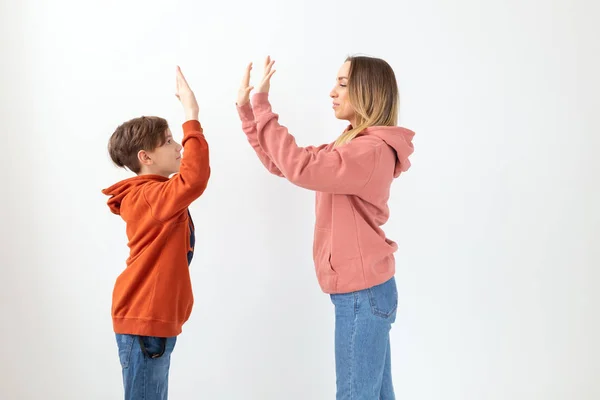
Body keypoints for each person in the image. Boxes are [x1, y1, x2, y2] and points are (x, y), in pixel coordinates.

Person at [236, 55, 415, 399]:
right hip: (365, 289)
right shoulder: (350, 146)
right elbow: (284, 165)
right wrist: (248, 112)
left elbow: (299, 167)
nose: (332, 92)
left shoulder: (370, 150)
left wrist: (262, 106)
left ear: (369, 91)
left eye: (343, 84)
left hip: (363, 293)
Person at [101, 67, 210, 400]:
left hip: (150, 321)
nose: (178, 146)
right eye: (168, 141)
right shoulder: (148, 196)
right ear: (145, 157)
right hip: (143, 321)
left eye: (176, 139)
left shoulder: (153, 194)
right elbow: (193, 179)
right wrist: (191, 116)